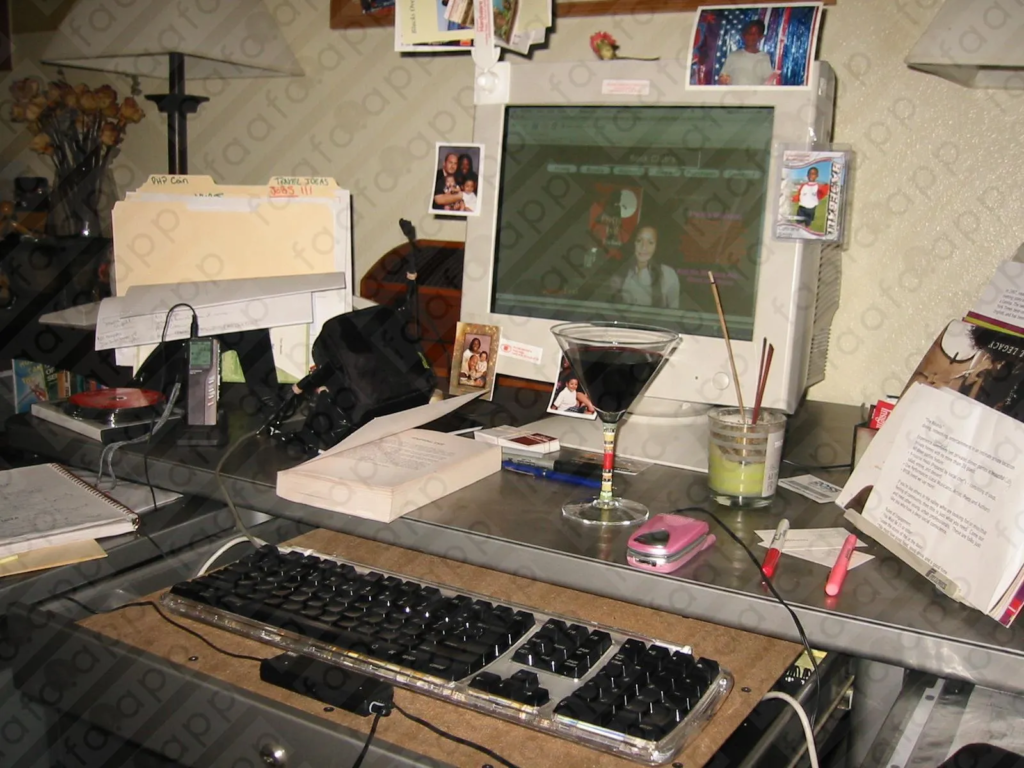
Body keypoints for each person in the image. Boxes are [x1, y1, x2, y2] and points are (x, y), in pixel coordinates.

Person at [610, 225, 680, 309]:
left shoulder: (668, 274)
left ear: (657, 246)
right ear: (633, 243)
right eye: (639, 241)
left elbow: (673, 312)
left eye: (650, 242)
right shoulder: (620, 272)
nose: (643, 247)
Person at [718, 19, 776, 86]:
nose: (750, 36)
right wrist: (723, 80)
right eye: (748, 33)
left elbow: (768, 82)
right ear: (743, 35)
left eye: (754, 34)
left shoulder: (764, 57)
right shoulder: (733, 56)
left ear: (761, 37)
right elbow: (722, 78)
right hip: (734, 92)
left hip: (755, 93)